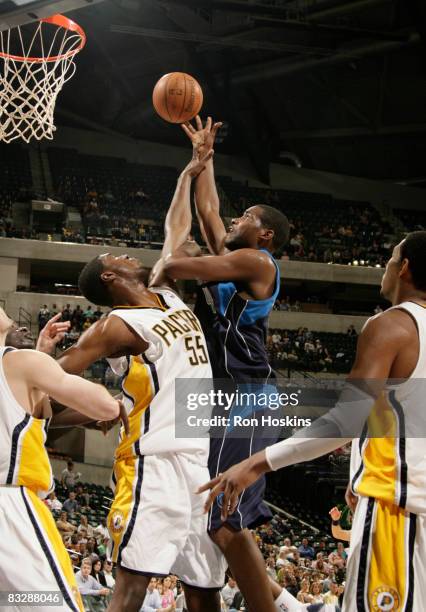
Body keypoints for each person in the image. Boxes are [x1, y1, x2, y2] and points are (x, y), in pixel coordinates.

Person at [200, 231, 426, 611]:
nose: (385, 267)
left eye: (390, 257)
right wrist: (359, 469)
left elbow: (346, 420)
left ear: (404, 268)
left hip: (397, 512)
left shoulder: (391, 326)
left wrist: (257, 461)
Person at [57, 150, 225, 612]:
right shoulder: (114, 325)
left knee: (205, 588)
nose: (127, 251)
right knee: (132, 587)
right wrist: (91, 406)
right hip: (152, 464)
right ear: (109, 276)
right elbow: (57, 377)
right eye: (116, 254)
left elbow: (177, 233)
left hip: (197, 462)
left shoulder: (167, 293)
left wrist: (188, 174)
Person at [162, 116, 294, 612]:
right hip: (227, 398)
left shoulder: (258, 264)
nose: (235, 220)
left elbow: (177, 264)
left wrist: (180, 253)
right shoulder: (239, 257)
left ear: (265, 236)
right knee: (216, 518)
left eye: (247, 219)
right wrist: (204, 159)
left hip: (248, 397)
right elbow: (210, 209)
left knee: (222, 517)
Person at [0, 306, 121, 611]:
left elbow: (22, 415)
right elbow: (104, 408)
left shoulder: (23, 365)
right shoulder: (20, 362)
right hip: (10, 508)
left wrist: (43, 361)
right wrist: (124, 402)